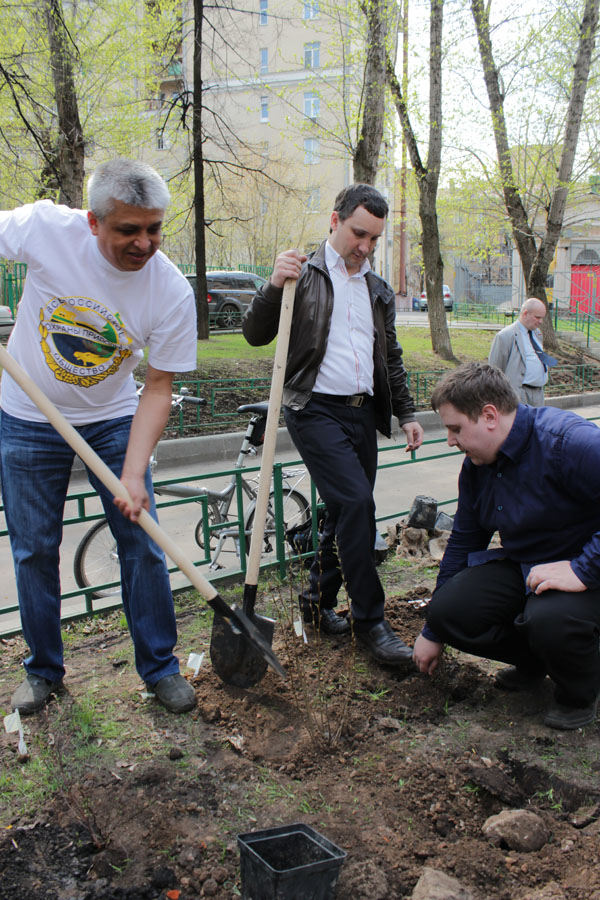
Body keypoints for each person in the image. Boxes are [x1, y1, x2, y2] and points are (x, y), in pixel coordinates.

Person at [0, 159, 198, 715]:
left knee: (142, 543)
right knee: (34, 549)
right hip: (26, 416)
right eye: (128, 230)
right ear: (92, 222)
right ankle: (43, 670)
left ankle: (160, 668)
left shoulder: (170, 292)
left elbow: (158, 387)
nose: (144, 243)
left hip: (113, 419)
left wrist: (133, 473)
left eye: (154, 228)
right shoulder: (46, 230)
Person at [242, 183, 424, 665]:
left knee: (345, 513)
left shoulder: (377, 289)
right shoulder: (302, 274)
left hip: (362, 413)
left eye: (374, 240)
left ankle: (316, 604)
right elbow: (254, 334)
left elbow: (392, 358)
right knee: (356, 502)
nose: (364, 247)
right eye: (358, 233)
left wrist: (405, 413)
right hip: (313, 409)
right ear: (335, 219)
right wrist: (272, 286)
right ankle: (370, 621)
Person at [413, 362, 600, 730]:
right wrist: (433, 629)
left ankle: (579, 689)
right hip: (528, 565)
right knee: (449, 610)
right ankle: (539, 662)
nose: (450, 440)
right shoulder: (478, 466)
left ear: (489, 416)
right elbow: (465, 539)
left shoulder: (569, 443)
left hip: (588, 570)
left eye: (455, 429)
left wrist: (582, 568)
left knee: (550, 620)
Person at [488, 297, 556, 406]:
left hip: (538, 394)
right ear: (525, 314)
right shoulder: (505, 336)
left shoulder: (537, 334)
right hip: (518, 394)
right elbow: (494, 371)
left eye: (542, 318)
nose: (541, 322)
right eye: (537, 317)